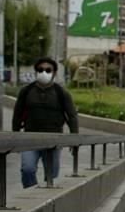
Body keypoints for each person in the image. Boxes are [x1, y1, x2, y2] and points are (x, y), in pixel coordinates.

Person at [11, 57, 79, 188]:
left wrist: (74, 139)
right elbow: (17, 115)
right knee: (27, 169)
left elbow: (72, 116)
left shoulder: (61, 93)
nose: (44, 72)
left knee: (51, 174)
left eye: (48, 70)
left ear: (54, 73)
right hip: (29, 139)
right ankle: (31, 192)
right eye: (40, 69)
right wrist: (15, 136)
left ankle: (45, 194)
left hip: (54, 139)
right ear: (36, 71)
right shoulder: (26, 91)